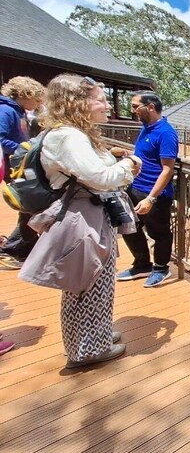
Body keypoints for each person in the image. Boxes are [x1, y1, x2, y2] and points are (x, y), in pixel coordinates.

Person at [18, 74, 141, 368]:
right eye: (100, 100)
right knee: (87, 284)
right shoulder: (69, 137)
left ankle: (95, 336)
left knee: (91, 283)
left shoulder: (67, 133)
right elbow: (100, 178)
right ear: (77, 102)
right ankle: (86, 350)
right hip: (82, 219)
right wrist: (128, 164)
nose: (107, 106)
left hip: (86, 215)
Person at [116, 91, 179, 288]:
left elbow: (167, 169)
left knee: (159, 233)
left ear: (150, 107)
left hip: (154, 194)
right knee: (130, 228)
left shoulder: (166, 133)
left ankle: (161, 268)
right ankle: (142, 264)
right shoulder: (146, 128)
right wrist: (126, 153)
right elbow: (146, 155)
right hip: (135, 188)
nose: (132, 110)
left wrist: (151, 198)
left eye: (136, 106)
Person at [0, 76, 46, 263]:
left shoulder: (18, 111)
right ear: (25, 94)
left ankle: (21, 246)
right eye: (36, 99)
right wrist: (24, 148)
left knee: (29, 204)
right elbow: (1, 139)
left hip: (19, 163)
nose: (38, 103)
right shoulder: (6, 111)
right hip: (12, 164)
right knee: (30, 203)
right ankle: (15, 248)